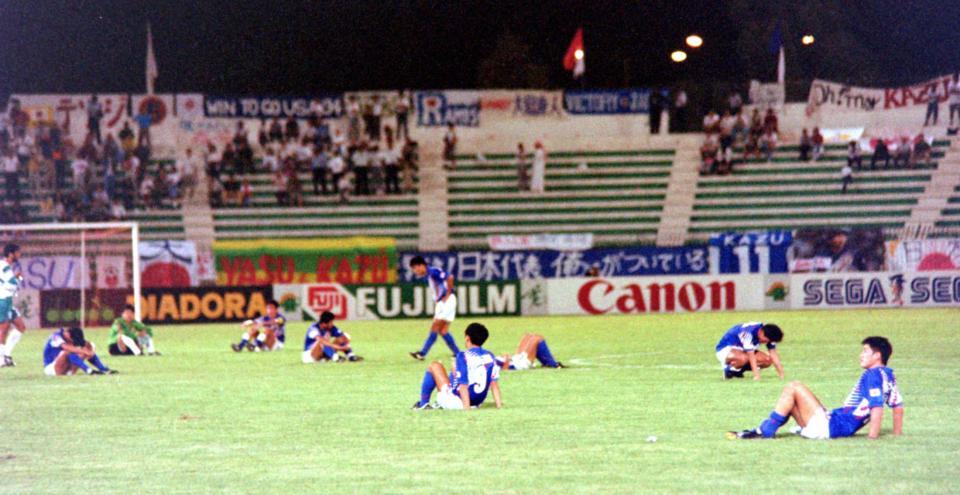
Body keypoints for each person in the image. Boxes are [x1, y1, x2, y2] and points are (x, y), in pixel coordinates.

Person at [729, 336, 903, 440]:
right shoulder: (888, 375)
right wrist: (896, 434)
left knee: (794, 386)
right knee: (794, 396)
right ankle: (767, 430)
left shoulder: (872, 375)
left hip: (832, 427)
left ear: (877, 355)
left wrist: (872, 438)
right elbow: (898, 407)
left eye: (865, 351)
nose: (861, 355)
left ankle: (764, 431)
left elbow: (877, 407)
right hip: (833, 424)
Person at [412, 322, 502, 410]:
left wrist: (466, 409)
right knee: (455, 369)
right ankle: (441, 404)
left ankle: (423, 404)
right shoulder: (490, 356)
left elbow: (463, 385)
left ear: (467, 338)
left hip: (459, 402)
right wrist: (499, 406)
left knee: (435, 365)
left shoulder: (463, 356)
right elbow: (494, 384)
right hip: (476, 404)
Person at [408, 256, 460, 360]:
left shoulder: (433, 271)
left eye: (415, 268)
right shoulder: (429, 274)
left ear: (421, 265)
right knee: (443, 330)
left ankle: (422, 353)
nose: (415, 271)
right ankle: (458, 353)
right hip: (442, 303)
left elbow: (450, 277)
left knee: (435, 327)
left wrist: (448, 294)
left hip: (446, 302)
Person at [715, 321, 784, 380]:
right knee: (743, 358)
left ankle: (737, 371)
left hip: (743, 351)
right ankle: (728, 369)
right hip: (726, 349)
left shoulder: (768, 333)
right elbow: (751, 356)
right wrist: (757, 376)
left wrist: (781, 375)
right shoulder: (747, 333)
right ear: (761, 333)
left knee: (767, 360)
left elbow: (773, 354)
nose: (765, 343)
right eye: (765, 340)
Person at [43, 327, 117, 376]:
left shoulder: (70, 337)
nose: (73, 342)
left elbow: (87, 345)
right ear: (68, 334)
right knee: (68, 351)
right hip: (52, 369)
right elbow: (65, 347)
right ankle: (89, 371)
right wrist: (84, 351)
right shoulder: (55, 336)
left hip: (66, 367)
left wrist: (89, 348)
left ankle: (103, 369)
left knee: (85, 349)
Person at [0, 243, 23, 367]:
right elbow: (11, 284)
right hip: (3, 300)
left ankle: (6, 356)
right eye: (17, 252)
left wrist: (16, 278)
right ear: (10, 254)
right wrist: (18, 279)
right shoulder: (4, 266)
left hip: (7, 301)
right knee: (3, 330)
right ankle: (1, 359)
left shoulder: (6, 267)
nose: (19, 254)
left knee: (20, 326)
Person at [495, 333, 564, 370]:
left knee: (528, 336)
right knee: (537, 338)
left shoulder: (487, 358)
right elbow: (505, 369)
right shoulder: (487, 364)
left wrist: (506, 357)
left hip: (515, 360)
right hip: (519, 364)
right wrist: (506, 359)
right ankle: (553, 364)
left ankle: (548, 363)